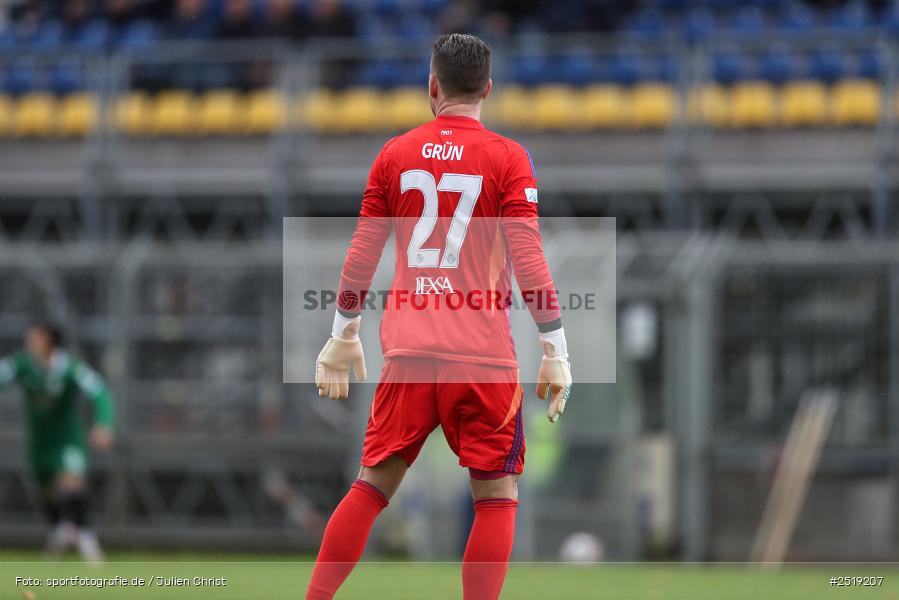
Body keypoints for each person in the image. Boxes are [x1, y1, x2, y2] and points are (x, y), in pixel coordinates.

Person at [307, 34, 572, 600]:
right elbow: (528, 259)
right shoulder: (507, 158)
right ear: (488, 89)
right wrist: (557, 349)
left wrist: (342, 334)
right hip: (481, 355)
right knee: (496, 496)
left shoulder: (395, 154)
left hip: (409, 352)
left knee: (372, 487)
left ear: (432, 87)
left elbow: (361, 252)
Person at [0, 323, 115, 563]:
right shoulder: (23, 364)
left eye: (34, 338)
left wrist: (103, 423)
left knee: (71, 485)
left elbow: (100, 392)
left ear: (49, 341)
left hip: (67, 440)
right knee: (46, 494)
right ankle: (59, 531)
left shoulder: (70, 368)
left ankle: (86, 536)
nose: (29, 341)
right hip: (40, 443)